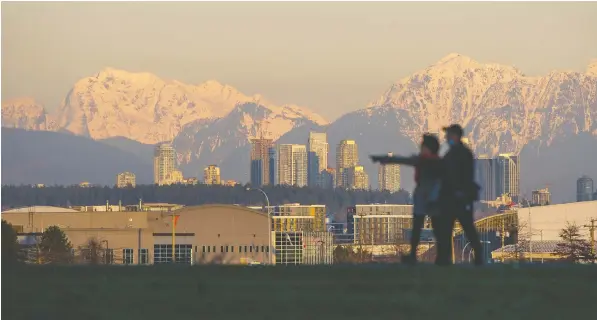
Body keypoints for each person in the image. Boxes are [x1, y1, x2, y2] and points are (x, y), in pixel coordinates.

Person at [370, 134, 443, 265]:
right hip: (434, 199)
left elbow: (402, 160)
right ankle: (442, 256)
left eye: (423, 147)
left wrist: (384, 159)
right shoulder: (438, 162)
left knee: (417, 227)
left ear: (428, 148)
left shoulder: (423, 160)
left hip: (422, 196)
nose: (421, 149)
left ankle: (413, 255)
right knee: (437, 228)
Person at [435, 124, 483, 266]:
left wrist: (459, 191)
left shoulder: (461, 153)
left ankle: (447, 258)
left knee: (464, 228)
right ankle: (445, 258)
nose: (446, 137)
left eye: (449, 134)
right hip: (453, 198)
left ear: (455, 136)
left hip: (458, 198)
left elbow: (464, 176)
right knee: (450, 229)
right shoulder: (453, 153)